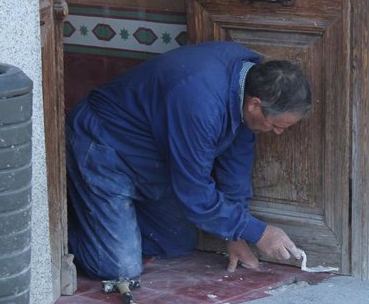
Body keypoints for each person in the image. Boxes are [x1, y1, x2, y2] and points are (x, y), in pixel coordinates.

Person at [66, 41, 312, 282]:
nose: (278, 133)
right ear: (255, 105)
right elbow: (194, 193)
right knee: (120, 269)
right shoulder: (200, 102)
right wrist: (259, 233)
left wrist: (236, 236)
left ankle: (109, 220)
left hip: (150, 161)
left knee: (175, 242)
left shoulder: (246, 81)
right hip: (105, 146)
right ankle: (65, 227)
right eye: (277, 126)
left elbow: (235, 165)